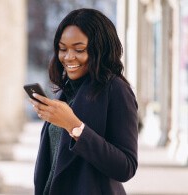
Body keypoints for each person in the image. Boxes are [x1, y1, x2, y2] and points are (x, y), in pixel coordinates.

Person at [29, 8, 138, 195]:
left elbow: (126, 166)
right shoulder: (68, 91)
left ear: (100, 49)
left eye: (79, 49)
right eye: (63, 49)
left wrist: (74, 126)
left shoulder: (116, 89)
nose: (68, 57)